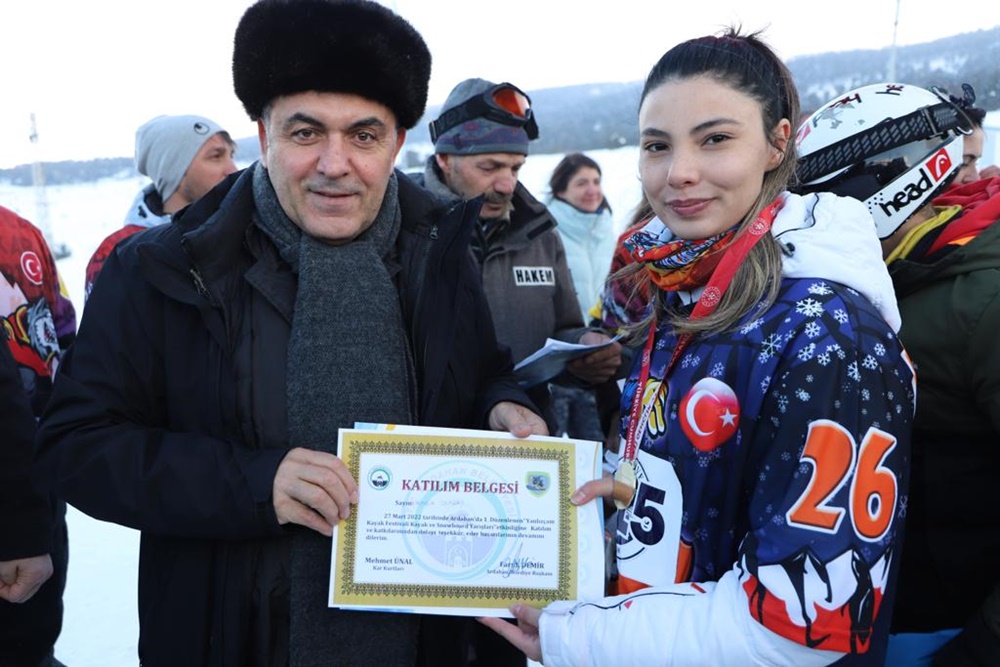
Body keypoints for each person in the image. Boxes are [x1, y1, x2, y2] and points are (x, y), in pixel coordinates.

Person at [37, 1, 544, 665]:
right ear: (264, 133)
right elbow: (78, 445)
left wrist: (502, 403)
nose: (335, 163)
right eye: (306, 133)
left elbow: (480, 374)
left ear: (396, 144)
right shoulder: (163, 267)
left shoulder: (440, 251)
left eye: (363, 136)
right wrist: (253, 484)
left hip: (425, 643)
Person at [481, 29, 915, 666]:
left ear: (777, 143)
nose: (679, 172)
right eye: (658, 145)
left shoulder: (830, 337)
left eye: (714, 139)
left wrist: (576, 638)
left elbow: (796, 625)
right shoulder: (682, 288)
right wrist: (629, 491)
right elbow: (719, 483)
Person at [796, 81, 1000, 666]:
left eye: (823, 196)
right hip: (872, 613)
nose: (807, 218)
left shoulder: (980, 299)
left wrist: (980, 649)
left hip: (948, 626)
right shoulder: (866, 278)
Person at [414, 78, 623, 439]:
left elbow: (564, 328)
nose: (506, 185)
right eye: (489, 167)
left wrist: (584, 348)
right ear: (445, 159)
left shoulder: (539, 233)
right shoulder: (405, 225)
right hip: (421, 445)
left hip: (523, 437)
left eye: (515, 168)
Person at [1, 204, 75, 667]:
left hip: (31, 487)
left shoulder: (23, 234)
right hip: (36, 489)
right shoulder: (23, 229)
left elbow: (62, 334)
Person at [83, 114, 237, 301]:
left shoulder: (246, 232)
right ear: (174, 170)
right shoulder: (119, 254)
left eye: (231, 155)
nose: (233, 170)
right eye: (216, 156)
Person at [542, 153, 618, 443]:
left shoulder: (606, 229)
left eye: (597, 181)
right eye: (582, 183)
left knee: (595, 448)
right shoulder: (544, 231)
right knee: (549, 446)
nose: (592, 190)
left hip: (596, 358)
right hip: (556, 360)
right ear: (561, 191)